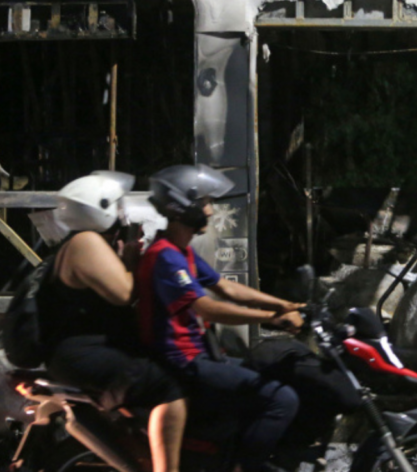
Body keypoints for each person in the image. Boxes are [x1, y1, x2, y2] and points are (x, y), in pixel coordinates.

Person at [136, 164, 304, 472]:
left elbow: (226, 288)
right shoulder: (165, 257)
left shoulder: (181, 251)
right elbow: (206, 307)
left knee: (281, 375)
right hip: (182, 362)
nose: (211, 211)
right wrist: (272, 318)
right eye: (204, 203)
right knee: (282, 400)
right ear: (181, 208)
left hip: (200, 355)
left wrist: (285, 304)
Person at [41, 171, 187, 472]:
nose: (122, 213)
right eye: (118, 206)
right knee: (167, 385)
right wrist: (136, 260)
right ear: (100, 208)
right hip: (83, 353)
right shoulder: (85, 242)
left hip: (88, 348)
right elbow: (124, 293)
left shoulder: (85, 243)